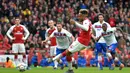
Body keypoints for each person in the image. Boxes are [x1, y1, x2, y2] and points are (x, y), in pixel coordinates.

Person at [48, 9, 92, 73]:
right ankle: (70, 69)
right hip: (82, 41)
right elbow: (90, 29)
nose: (78, 17)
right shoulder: (87, 21)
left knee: (67, 52)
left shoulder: (86, 21)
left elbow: (86, 28)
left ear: (83, 16)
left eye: (80, 16)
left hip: (81, 41)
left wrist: (75, 23)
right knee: (69, 53)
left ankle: (53, 59)